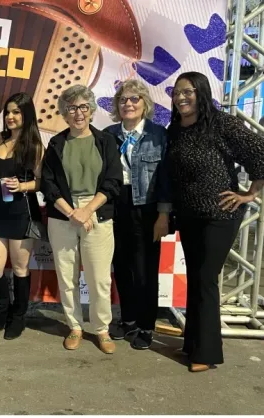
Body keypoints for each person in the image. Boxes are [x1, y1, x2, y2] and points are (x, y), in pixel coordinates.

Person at [165, 71, 264, 372]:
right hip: (189, 216)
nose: (181, 97)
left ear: (202, 92)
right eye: (177, 92)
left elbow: (260, 152)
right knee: (195, 278)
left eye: (188, 91)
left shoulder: (222, 124)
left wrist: (249, 194)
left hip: (220, 214)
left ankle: (206, 353)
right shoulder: (175, 129)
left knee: (206, 279)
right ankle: (193, 342)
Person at [41, 84, 123, 354]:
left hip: (97, 211)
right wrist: (72, 212)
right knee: (67, 277)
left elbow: (113, 182)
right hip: (63, 214)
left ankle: (101, 329)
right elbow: (49, 185)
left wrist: (87, 211)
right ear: (64, 113)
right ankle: (75, 326)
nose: (78, 113)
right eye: (72, 108)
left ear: (92, 110)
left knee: (100, 278)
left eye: (83, 107)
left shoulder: (106, 141)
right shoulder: (56, 143)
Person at [103, 80, 171, 350]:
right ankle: (128, 319)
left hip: (147, 208)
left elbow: (166, 179)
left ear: (145, 104)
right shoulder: (108, 135)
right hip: (115, 206)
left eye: (134, 99)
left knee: (145, 271)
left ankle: (146, 325)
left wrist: (163, 214)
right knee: (121, 267)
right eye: (123, 100)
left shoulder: (158, 135)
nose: (128, 104)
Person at [0, 92, 44, 340]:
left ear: (26, 114)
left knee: (20, 268)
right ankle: (3, 311)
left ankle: (18, 317)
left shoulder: (35, 145)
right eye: (7, 112)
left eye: (16, 112)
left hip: (23, 212)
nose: (10, 116)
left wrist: (22, 186)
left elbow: (41, 183)